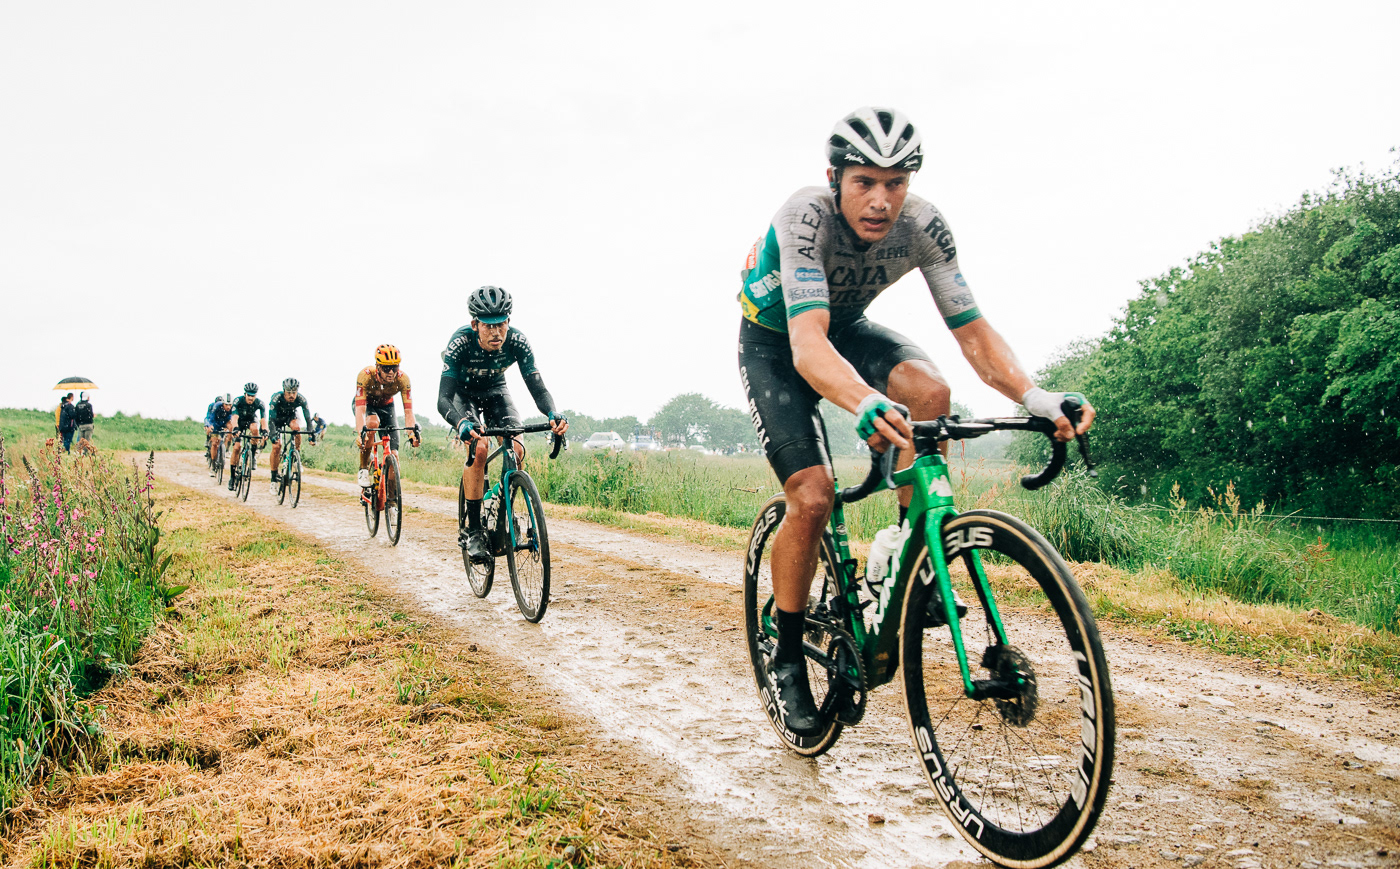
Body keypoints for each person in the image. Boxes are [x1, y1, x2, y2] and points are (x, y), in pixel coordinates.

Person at [736, 106, 1095, 737]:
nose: (880, 200)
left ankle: (907, 555)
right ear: (835, 179)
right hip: (777, 343)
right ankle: (787, 656)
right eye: (864, 182)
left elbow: (974, 333)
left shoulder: (924, 225)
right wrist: (863, 401)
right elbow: (808, 345)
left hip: (846, 329)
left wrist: (1034, 396)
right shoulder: (804, 216)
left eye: (895, 183)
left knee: (930, 392)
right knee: (813, 496)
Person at [436, 285, 568, 561]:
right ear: (475, 325)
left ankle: (497, 502)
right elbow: (443, 399)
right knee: (480, 448)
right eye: (488, 326)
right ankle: (474, 530)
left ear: (509, 321)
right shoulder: (460, 342)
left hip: (496, 391)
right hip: (464, 394)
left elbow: (537, 387)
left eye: (501, 324)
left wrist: (552, 413)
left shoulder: (517, 341)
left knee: (516, 449)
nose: (496, 332)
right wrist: (460, 423)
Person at [353, 344, 420, 488]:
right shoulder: (365, 375)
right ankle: (363, 469)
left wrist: (412, 434)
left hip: (387, 406)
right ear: (377, 367)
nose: (391, 372)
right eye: (386, 368)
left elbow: (408, 412)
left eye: (394, 368)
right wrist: (360, 432)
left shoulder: (403, 379)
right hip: (367, 404)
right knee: (372, 423)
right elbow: (360, 410)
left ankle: (391, 498)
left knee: (394, 454)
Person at [266, 378, 315, 494]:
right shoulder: (276, 398)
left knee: (297, 428)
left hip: (290, 417)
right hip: (276, 419)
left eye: (294, 392)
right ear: (284, 391)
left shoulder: (301, 399)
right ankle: (273, 480)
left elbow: (308, 419)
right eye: (289, 392)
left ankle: (296, 456)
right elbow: (271, 420)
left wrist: (311, 434)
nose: (292, 395)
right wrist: (273, 435)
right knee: (276, 446)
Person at [228, 383, 266, 490]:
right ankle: (232, 477)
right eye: (249, 395)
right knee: (236, 448)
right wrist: (235, 428)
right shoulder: (238, 401)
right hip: (239, 422)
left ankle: (252, 455)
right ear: (245, 394)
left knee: (255, 429)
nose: (250, 398)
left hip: (251, 420)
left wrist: (265, 431)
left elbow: (263, 419)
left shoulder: (259, 403)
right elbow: (234, 418)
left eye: (253, 396)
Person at [204, 393, 236, 475]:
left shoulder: (233, 408)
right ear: (222, 403)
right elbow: (210, 418)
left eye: (230, 405)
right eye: (226, 405)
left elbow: (234, 419)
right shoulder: (217, 406)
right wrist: (210, 425)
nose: (228, 407)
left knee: (231, 428)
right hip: (216, 423)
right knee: (214, 443)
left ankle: (227, 449)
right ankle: (213, 465)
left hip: (225, 422)